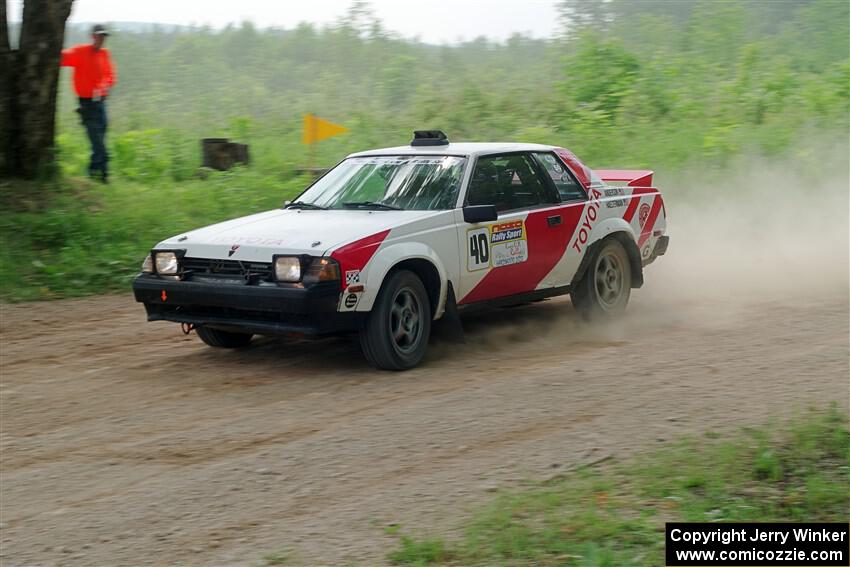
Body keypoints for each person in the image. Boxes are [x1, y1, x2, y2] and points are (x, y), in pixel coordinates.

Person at [61, 24, 116, 183]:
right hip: (87, 105)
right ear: (92, 36)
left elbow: (110, 75)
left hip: (101, 104)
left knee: (99, 141)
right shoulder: (80, 51)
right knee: (99, 144)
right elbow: (62, 57)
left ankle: (92, 176)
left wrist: (106, 84)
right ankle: (104, 176)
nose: (101, 39)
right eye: (99, 35)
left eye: (104, 36)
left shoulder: (105, 54)